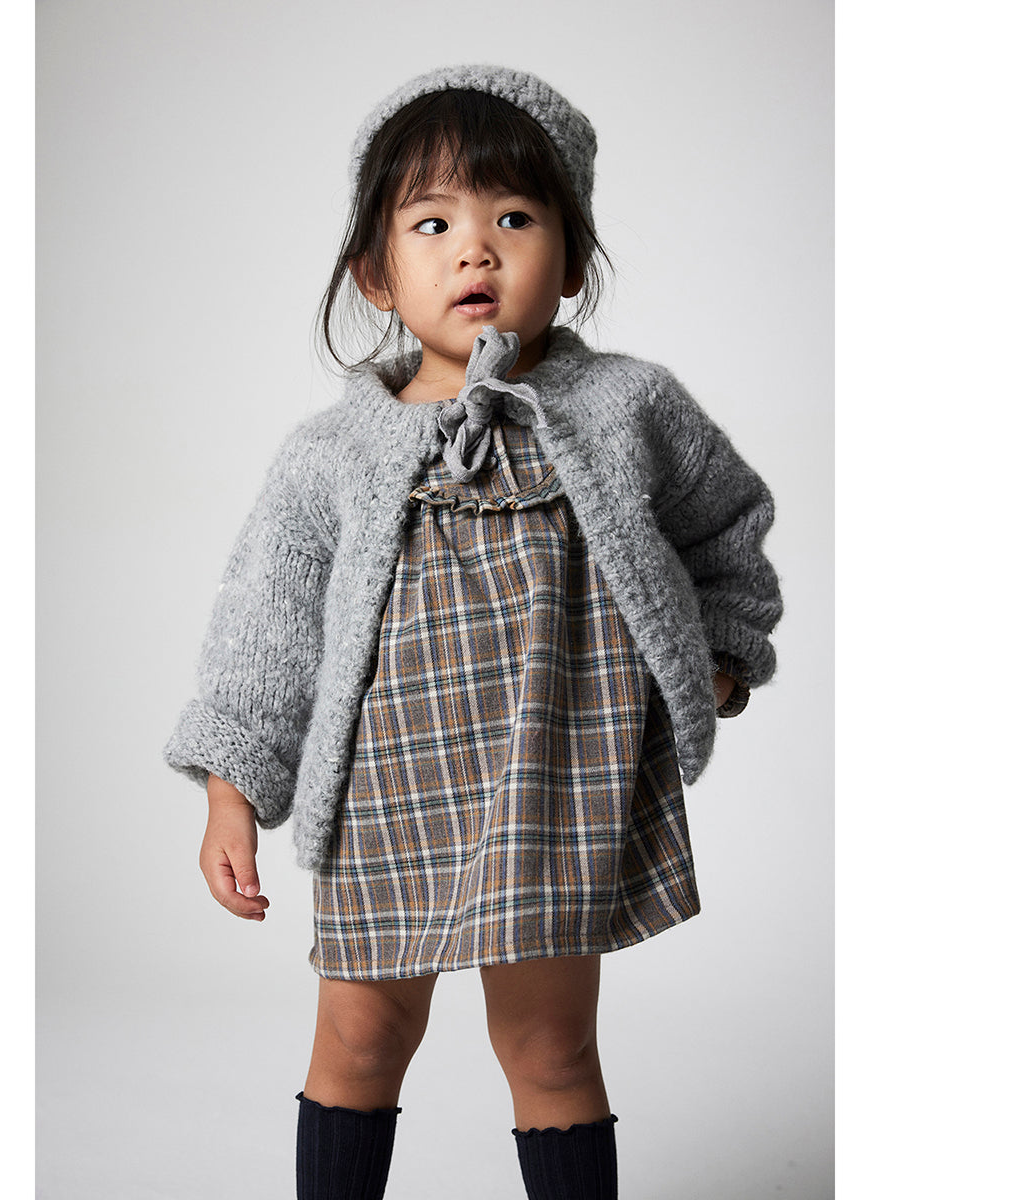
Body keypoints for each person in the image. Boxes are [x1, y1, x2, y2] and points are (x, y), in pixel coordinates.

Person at [164, 63, 783, 1200]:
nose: (477, 251)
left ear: (573, 259)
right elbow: (266, 625)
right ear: (376, 271)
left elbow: (725, 527)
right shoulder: (331, 453)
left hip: (559, 775)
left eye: (516, 218)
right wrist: (230, 791)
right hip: (387, 787)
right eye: (434, 223)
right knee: (361, 1038)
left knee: (550, 1048)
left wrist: (720, 661)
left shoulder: (630, 405)